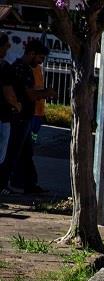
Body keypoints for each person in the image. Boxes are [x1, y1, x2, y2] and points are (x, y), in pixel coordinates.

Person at [0, 39, 55, 195]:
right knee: (11, 153)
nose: (40, 62)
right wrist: (46, 93)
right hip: (18, 118)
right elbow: (29, 95)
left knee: (25, 153)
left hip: (24, 118)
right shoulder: (21, 69)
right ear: (31, 54)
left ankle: (28, 184)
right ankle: (4, 184)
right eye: (40, 58)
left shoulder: (24, 68)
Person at [0, 32, 21, 195]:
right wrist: (17, 104)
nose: (9, 47)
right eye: (6, 44)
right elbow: (8, 93)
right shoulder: (4, 67)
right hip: (2, 117)